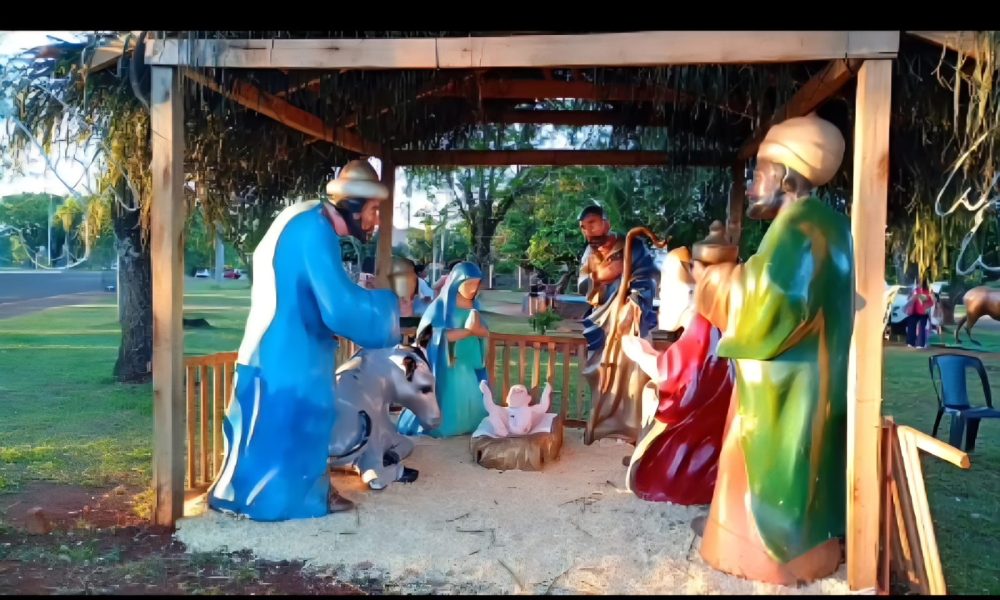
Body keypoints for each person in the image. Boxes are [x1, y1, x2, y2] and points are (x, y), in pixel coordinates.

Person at [692, 114, 854, 584]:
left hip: (785, 392)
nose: (752, 184)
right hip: (809, 380)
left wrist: (712, 281)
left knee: (771, 471)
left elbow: (770, 305)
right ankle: (789, 545)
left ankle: (759, 553)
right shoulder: (830, 226)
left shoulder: (800, 228)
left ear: (785, 177)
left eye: (759, 171)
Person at [208, 159, 401, 522]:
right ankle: (291, 500)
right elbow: (339, 307)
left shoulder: (301, 218)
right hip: (292, 355)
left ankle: (237, 495)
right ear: (354, 204)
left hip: (270, 347)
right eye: (374, 209)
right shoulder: (315, 231)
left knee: (258, 423)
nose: (376, 220)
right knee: (298, 420)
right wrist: (389, 306)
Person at [576, 204, 659, 445]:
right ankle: (601, 423)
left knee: (633, 373)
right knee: (601, 372)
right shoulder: (589, 253)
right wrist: (599, 277)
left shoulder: (632, 245)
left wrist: (633, 304)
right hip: (603, 323)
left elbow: (649, 276)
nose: (588, 231)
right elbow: (582, 285)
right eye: (583, 227)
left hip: (632, 321)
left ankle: (632, 427)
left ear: (607, 223)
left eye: (592, 224)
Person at [398, 261, 490, 437]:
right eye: (469, 284)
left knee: (470, 399)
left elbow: (483, 331)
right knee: (448, 399)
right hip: (446, 368)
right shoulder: (441, 306)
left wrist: (478, 332)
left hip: (467, 364)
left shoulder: (474, 307)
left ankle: (470, 424)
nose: (473, 288)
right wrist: (466, 332)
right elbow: (428, 335)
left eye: (476, 284)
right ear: (457, 282)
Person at [906, 279, 934, 349]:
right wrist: (913, 297)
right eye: (918, 282)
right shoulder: (914, 290)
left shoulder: (928, 290)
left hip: (923, 311)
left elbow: (930, 300)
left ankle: (920, 344)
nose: (919, 284)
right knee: (912, 326)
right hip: (914, 311)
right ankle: (911, 342)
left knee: (921, 327)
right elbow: (909, 298)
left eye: (920, 282)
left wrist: (920, 297)